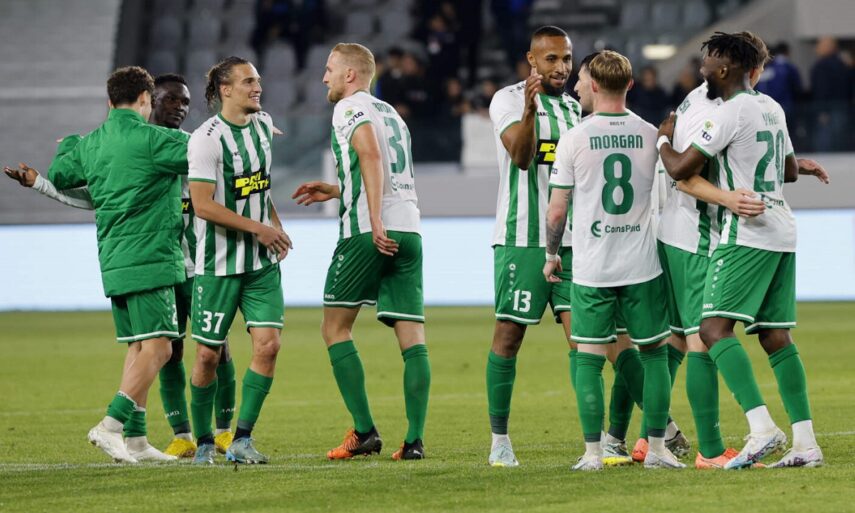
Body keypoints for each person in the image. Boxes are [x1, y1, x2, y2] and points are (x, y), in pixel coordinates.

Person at [3, 74, 240, 461]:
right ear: (146, 98)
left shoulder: (90, 144)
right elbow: (209, 152)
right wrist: (246, 122)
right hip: (152, 259)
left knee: (138, 347)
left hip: (115, 261)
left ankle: (137, 440)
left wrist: (68, 147)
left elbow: (62, 175)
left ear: (110, 101)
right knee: (161, 349)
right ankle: (111, 424)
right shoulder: (155, 140)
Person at [658, 32, 829, 469]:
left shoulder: (729, 111)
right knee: (775, 335)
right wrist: (801, 165)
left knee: (712, 330)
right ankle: (805, 443)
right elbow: (788, 169)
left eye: (709, 61)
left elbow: (679, 169)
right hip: (782, 227)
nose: (702, 68)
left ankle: (761, 427)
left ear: (725, 68)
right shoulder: (772, 106)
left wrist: (663, 139)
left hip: (747, 231)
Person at [485, 28, 651, 468]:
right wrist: (528, 111)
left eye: (567, 59)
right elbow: (521, 157)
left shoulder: (576, 109)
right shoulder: (506, 100)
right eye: (552, 59)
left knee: (588, 342)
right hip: (521, 238)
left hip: (575, 242)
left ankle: (611, 440)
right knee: (508, 337)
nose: (561, 68)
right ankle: (500, 441)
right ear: (531, 60)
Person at [544, 50, 684, 471]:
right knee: (654, 355)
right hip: (642, 265)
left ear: (594, 84)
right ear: (630, 85)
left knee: (589, 359)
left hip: (593, 267)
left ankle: (593, 453)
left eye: (582, 81)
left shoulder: (575, 138)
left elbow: (556, 212)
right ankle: (657, 448)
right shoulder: (650, 135)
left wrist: (551, 255)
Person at [292, 42, 431, 461]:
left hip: (369, 231)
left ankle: (365, 431)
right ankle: (414, 442)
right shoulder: (393, 114)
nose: (324, 77)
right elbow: (388, 170)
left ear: (350, 74)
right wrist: (339, 189)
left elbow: (369, 154)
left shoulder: (348, 107)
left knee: (334, 328)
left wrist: (372, 218)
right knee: (413, 338)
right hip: (410, 229)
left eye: (330, 69)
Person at [187, 56, 292, 465]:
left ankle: (242, 439)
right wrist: (259, 228)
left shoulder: (263, 125)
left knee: (269, 346)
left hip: (260, 265)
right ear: (225, 89)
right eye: (248, 81)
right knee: (207, 356)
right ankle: (203, 442)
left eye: (258, 80)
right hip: (217, 266)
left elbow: (258, 187)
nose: (257, 86)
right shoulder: (206, 140)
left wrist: (274, 225)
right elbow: (202, 205)